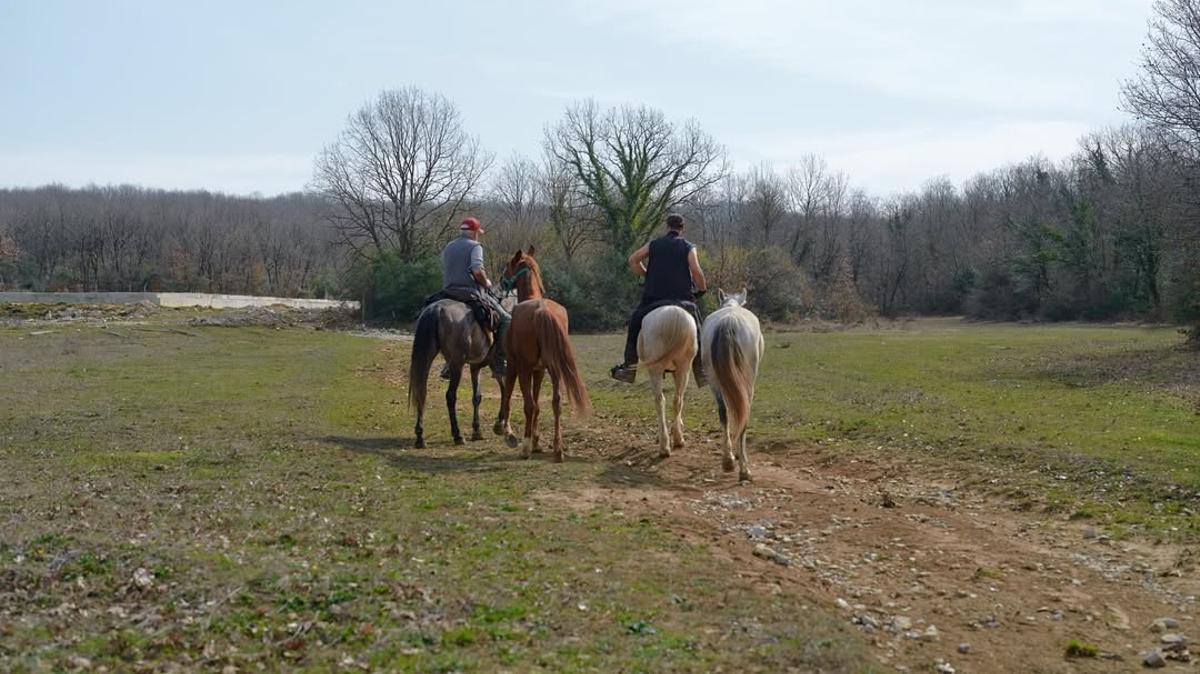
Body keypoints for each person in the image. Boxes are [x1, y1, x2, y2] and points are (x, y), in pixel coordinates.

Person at [610, 213, 707, 384]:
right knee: (698, 328)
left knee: (634, 323)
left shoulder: (654, 244)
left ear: (667, 227)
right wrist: (702, 288)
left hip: (654, 298)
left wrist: (647, 275)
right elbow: (696, 269)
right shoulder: (688, 246)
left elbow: (633, 260)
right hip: (682, 299)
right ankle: (701, 370)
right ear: (682, 229)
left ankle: (628, 368)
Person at [432, 217, 510, 378]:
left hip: (447, 292)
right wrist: (487, 282)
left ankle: (449, 362)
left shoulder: (449, 247)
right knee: (506, 319)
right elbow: (476, 270)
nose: (478, 236)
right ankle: (500, 361)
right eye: (478, 233)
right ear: (474, 232)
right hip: (470, 293)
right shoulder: (475, 246)